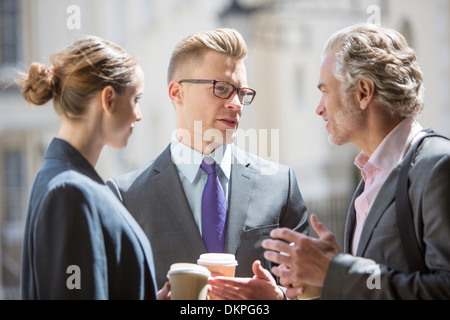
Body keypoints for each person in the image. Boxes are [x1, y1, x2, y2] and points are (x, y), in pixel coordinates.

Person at [107, 28, 309, 297]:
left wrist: (279, 297)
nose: (236, 104)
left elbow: (314, 288)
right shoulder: (126, 197)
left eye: (241, 92)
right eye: (222, 88)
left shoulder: (279, 185)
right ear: (177, 92)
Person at [262, 23, 450, 299]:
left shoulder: (437, 167)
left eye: (325, 91)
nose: (319, 108)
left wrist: (335, 272)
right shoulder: (370, 179)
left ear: (363, 92)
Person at [18, 36, 166, 299]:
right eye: (136, 99)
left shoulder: (63, 181)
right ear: (108, 99)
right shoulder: (70, 192)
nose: (139, 114)